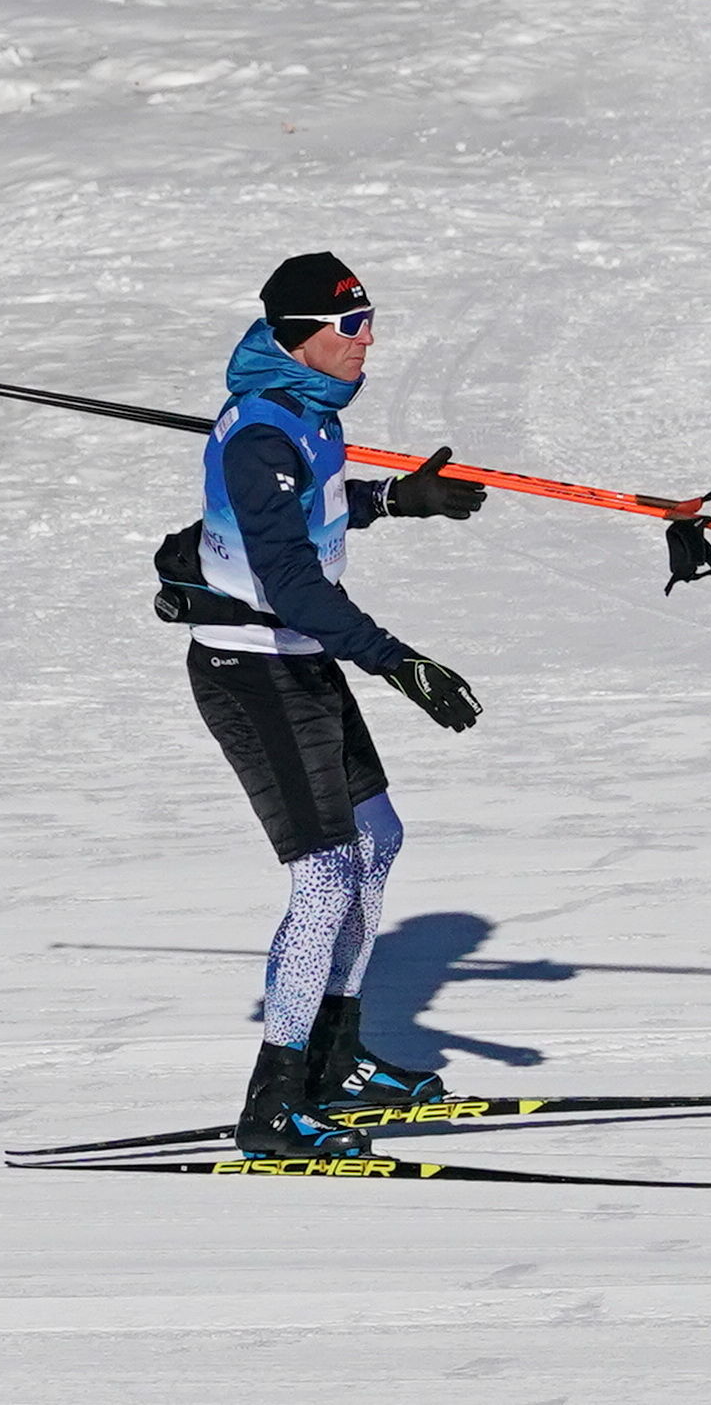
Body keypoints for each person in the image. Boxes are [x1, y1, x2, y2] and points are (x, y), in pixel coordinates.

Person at [185, 251, 488, 1158]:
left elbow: (310, 509)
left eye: (370, 321)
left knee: (378, 838)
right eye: (350, 326)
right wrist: (399, 663)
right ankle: (273, 1107)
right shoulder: (264, 435)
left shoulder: (306, 417)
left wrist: (397, 498)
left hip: (302, 662)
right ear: (297, 336)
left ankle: (336, 1060)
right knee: (322, 876)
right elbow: (286, 579)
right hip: (253, 669)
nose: (368, 340)